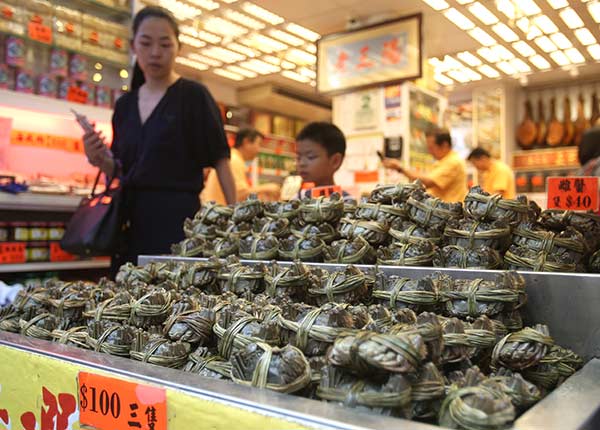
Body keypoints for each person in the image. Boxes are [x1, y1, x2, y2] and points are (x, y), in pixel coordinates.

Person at [82, 6, 236, 275]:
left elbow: (220, 159)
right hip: (129, 221)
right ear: (133, 46)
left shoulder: (193, 96)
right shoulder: (125, 105)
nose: (155, 52)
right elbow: (121, 171)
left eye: (165, 44)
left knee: (173, 297)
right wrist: (99, 159)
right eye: (146, 43)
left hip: (178, 220)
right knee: (128, 297)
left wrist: (236, 221)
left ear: (179, 48)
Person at [382, 128, 467, 202]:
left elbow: (428, 182)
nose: (430, 151)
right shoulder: (442, 162)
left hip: (449, 214)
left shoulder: (453, 162)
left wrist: (400, 168)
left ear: (445, 145)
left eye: (431, 147)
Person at [201, 128, 281, 204]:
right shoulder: (235, 160)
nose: (259, 150)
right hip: (219, 212)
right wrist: (266, 188)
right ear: (246, 142)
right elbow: (238, 195)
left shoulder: (233, 157)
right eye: (259, 144)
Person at [295, 122, 346, 198]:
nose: (301, 163)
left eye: (310, 157)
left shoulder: (347, 202)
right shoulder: (298, 199)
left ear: (335, 161)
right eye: (298, 157)